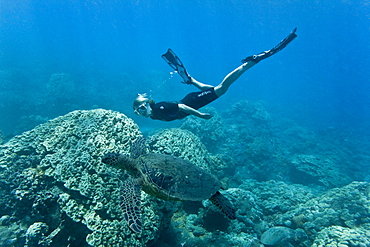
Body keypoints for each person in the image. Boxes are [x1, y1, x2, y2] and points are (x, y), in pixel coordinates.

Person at [133, 28, 297, 121]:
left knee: (222, 88)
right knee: (214, 89)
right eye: (138, 110)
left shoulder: (159, 107)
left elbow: (182, 107)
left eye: (141, 106)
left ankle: (250, 63)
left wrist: (200, 115)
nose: (140, 111)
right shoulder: (153, 115)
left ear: (148, 103)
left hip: (191, 102)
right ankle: (191, 80)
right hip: (192, 100)